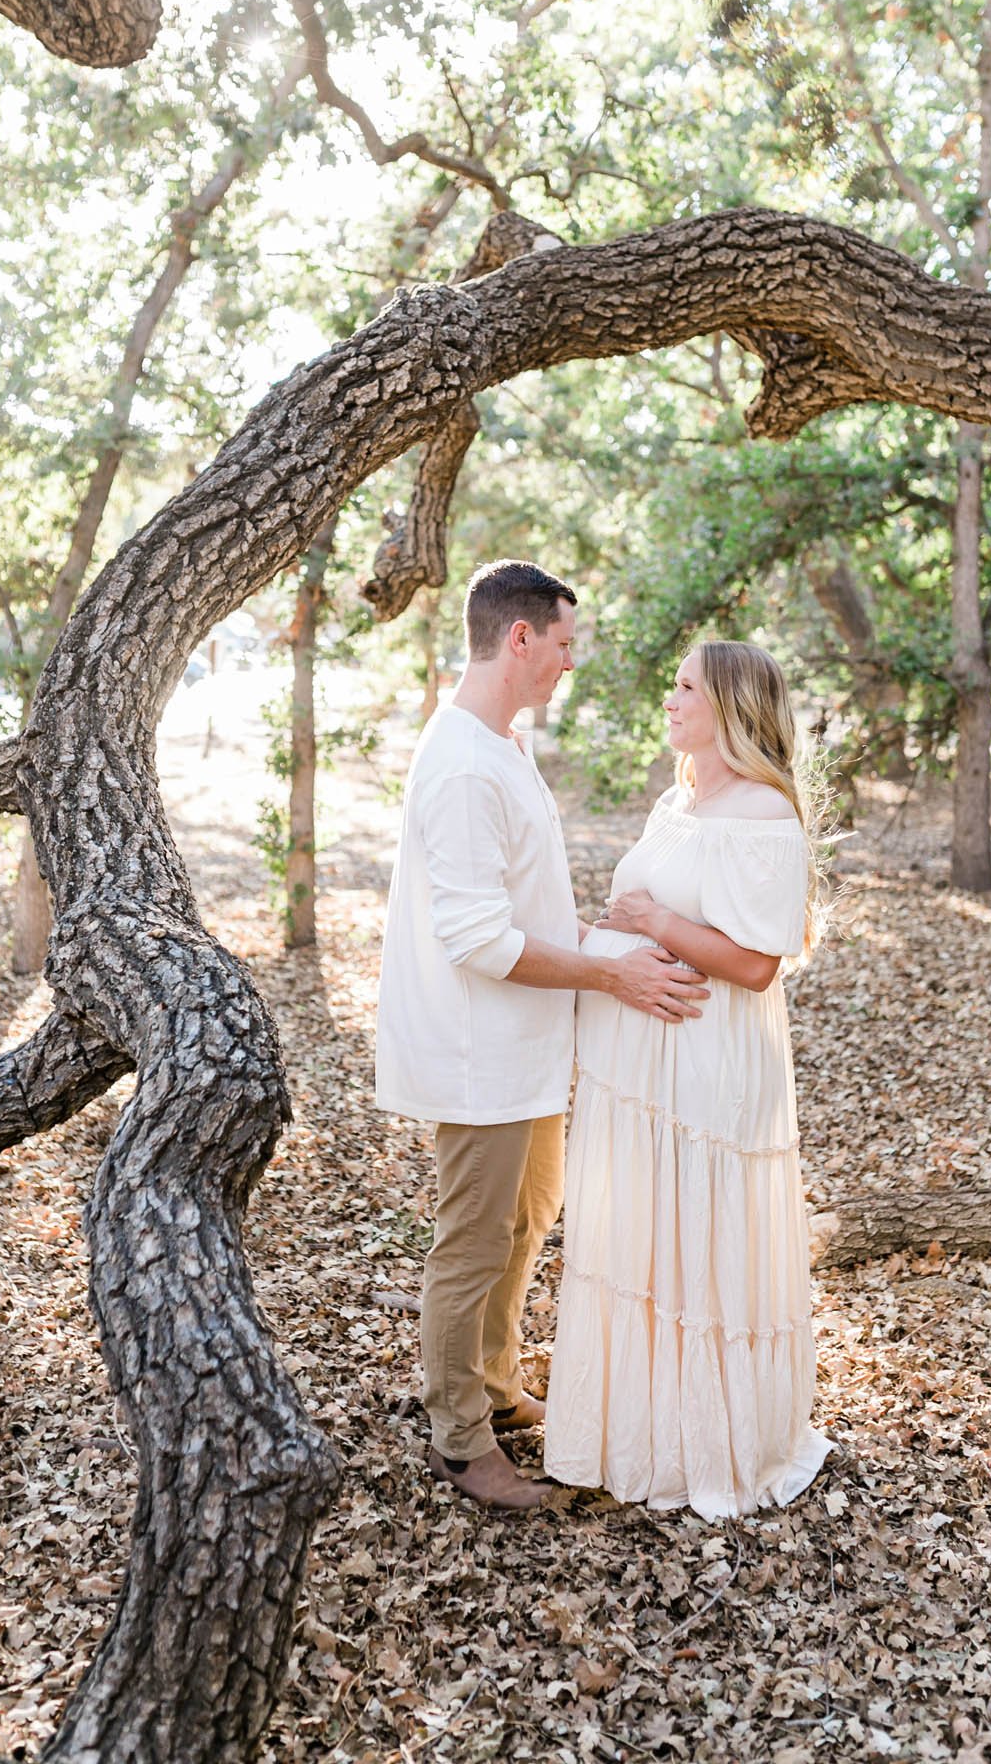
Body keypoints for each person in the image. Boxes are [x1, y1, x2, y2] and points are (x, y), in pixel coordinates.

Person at [375, 560, 709, 1511]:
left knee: (525, 1223)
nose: (571, 661)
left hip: (528, 1047)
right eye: (564, 643)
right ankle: (459, 1440)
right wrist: (611, 972)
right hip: (478, 1050)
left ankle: (492, 1379)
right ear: (519, 639)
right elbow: (477, 937)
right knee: (472, 1241)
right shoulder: (461, 764)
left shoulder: (503, 744)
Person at [544, 639, 833, 1520]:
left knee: (695, 1235)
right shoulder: (681, 797)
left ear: (732, 710)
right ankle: (635, 1430)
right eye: (671, 683)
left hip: (704, 1066)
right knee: (645, 1234)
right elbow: (640, 915)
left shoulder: (763, 815)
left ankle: (710, 1443)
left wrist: (652, 921)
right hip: (640, 1073)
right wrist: (622, 933)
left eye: (685, 689)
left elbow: (754, 965)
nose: (668, 699)